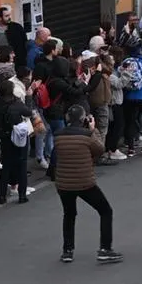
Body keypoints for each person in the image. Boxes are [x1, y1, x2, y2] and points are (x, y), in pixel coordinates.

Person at [53, 105, 121, 264]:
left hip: (63, 183)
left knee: (69, 214)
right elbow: (100, 149)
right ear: (84, 119)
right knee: (105, 210)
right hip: (84, 181)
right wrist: (94, 129)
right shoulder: (87, 135)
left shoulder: (58, 136)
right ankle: (105, 249)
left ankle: (67, 251)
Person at [0, 80, 34, 204]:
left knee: (5, 166)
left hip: (5, 136)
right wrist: (29, 97)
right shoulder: (17, 103)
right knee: (22, 164)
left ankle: (2, 196)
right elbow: (28, 112)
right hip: (18, 136)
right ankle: (22, 195)